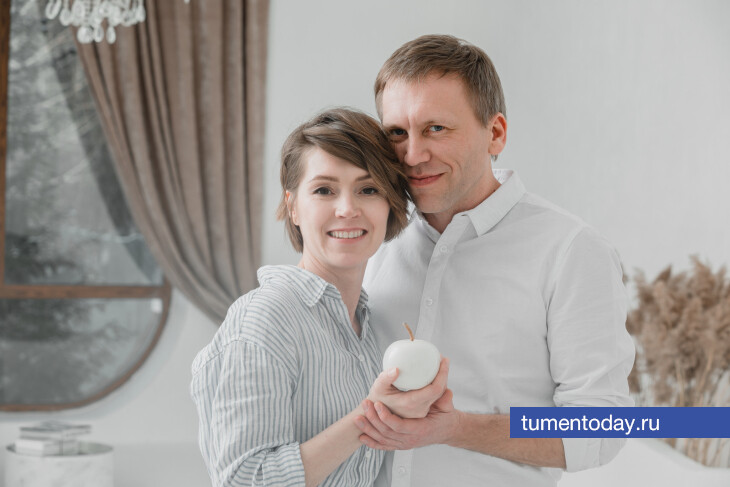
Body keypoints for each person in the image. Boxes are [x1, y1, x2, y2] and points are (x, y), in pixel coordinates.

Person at [355, 34, 636, 486]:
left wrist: (457, 428)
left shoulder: (570, 250)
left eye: (436, 128)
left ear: (496, 133)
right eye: (397, 133)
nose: (413, 155)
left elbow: (601, 428)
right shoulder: (371, 237)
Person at [190, 107, 449, 487]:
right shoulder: (266, 318)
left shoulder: (367, 324)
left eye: (368, 189)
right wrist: (372, 414)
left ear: (390, 204)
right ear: (293, 206)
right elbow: (245, 480)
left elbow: (550, 426)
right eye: (324, 190)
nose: (347, 209)